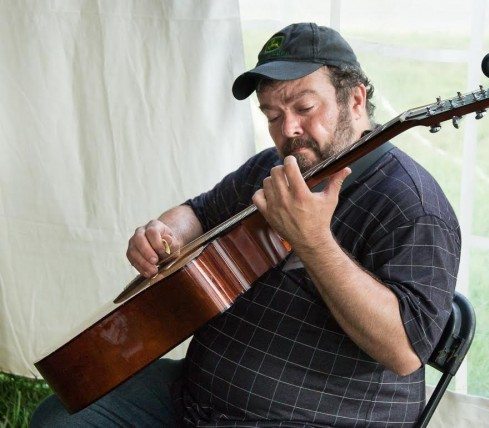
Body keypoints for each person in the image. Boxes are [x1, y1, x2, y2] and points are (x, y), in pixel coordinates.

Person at [31, 22, 460, 427]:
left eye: (305, 108)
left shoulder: (412, 205)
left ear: (356, 100)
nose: (289, 129)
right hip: (198, 395)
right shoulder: (276, 166)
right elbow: (199, 212)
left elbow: (404, 351)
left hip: (314, 418)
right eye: (272, 115)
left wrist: (312, 241)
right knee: (59, 417)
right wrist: (163, 232)